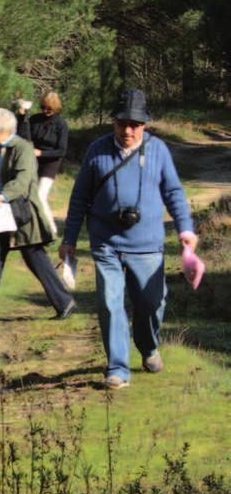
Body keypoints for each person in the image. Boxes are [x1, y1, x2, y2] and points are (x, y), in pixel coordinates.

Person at [60, 89, 196, 390]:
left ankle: (148, 347)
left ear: (144, 125)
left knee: (151, 303)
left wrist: (185, 229)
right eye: (122, 123)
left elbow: (173, 192)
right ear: (114, 122)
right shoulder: (97, 150)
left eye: (135, 124)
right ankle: (118, 368)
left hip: (147, 244)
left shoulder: (158, 150)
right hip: (106, 243)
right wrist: (69, 238)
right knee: (110, 304)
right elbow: (80, 196)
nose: (128, 130)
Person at [0, 107, 74, 326]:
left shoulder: (23, 148)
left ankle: (64, 302)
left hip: (23, 213)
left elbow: (23, 181)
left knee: (35, 258)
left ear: (5, 130)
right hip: (0, 213)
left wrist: (4, 195)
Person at [26, 92, 69, 236]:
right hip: (33, 161)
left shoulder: (61, 125)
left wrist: (41, 153)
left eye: (48, 108)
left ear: (55, 108)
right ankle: (33, 228)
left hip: (51, 162)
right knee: (29, 195)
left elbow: (61, 151)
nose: (45, 110)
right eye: (43, 107)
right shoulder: (34, 119)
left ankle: (51, 229)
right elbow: (24, 135)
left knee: (40, 195)